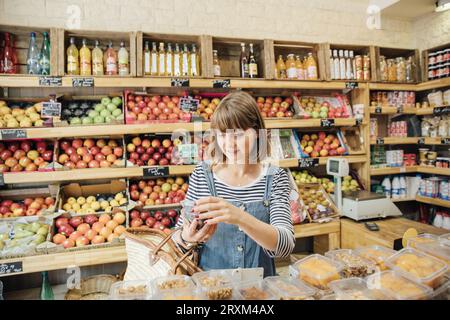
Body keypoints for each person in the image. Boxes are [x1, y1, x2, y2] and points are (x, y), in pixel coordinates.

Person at [172, 91, 295, 277]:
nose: (229, 144)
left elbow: (284, 246)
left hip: (259, 290)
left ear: (257, 133)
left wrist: (239, 217)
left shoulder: (275, 177)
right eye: (222, 135)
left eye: (237, 134)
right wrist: (187, 237)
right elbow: (178, 236)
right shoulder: (203, 174)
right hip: (211, 287)